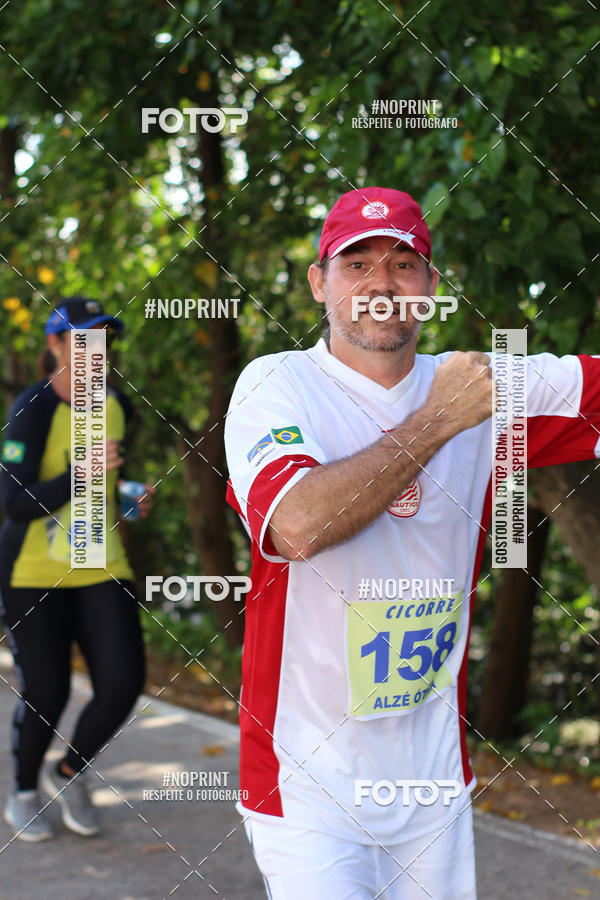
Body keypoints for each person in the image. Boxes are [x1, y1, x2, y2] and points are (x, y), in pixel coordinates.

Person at [224, 186, 600, 898]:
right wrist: (439, 421)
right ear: (318, 282)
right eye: (355, 263)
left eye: (403, 263)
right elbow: (298, 524)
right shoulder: (277, 385)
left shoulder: (479, 385)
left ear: (431, 284)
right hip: (306, 789)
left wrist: (461, 403)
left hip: (432, 788)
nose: (380, 283)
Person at [0, 296, 153, 842]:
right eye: (83, 340)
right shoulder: (33, 408)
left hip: (101, 563)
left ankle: (67, 774)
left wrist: (131, 496)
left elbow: (112, 483)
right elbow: (14, 504)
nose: (97, 352)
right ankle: (22, 791)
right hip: (34, 570)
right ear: (56, 346)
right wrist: (79, 476)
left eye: (104, 340)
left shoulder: (115, 404)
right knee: (47, 691)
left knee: (122, 683)